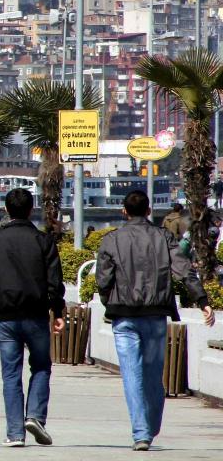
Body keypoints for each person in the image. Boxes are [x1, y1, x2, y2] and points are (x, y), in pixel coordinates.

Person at [96, 190, 215, 451]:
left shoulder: (111, 240)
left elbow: (103, 279)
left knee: (131, 375)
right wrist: (203, 300)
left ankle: (142, 432)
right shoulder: (164, 237)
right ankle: (149, 426)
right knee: (152, 374)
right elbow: (185, 270)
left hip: (124, 316)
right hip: (155, 314)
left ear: (124, 212)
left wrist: (109, 303)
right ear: (149, 211)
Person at [0, 188, 65, 447]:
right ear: (30, 209)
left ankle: (15, 433)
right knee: (41, 367)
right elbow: (54, 282)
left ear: (6, 210)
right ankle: (35, 415)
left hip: (5, 318)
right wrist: (57, 311)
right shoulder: (43, 241)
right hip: (36, 316)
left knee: (11, 374)